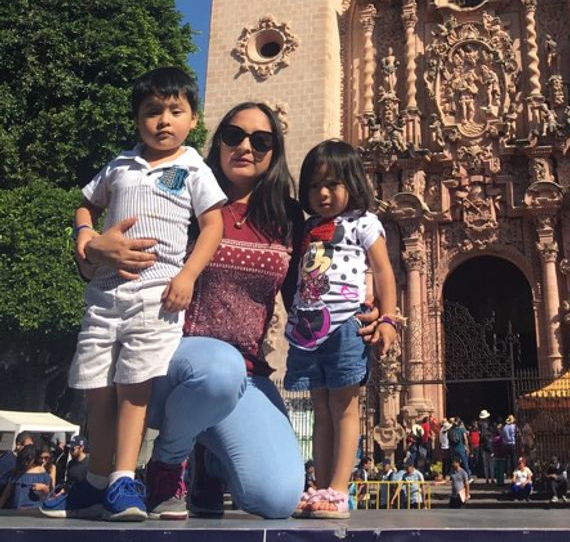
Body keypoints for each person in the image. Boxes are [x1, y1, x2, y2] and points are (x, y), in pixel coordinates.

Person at [48, 101, 350, 522]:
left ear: (274, 151)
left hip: (243, 376)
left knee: (278, 497)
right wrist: (89, 246)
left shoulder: (288, 218)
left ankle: (207, 456)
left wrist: (366, 313)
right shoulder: (179, 193)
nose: (245, 146)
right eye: (234, 135)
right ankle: (167, 464)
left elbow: (308, 295)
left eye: (260, 140)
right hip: (165, 363)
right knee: (217, 367)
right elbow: (102, 260)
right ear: (217, 140)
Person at [41, 68, 226, 523]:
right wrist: (87, 237)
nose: (164, 120)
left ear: (193, 118)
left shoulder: (193, 168)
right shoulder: (120, 165)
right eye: (152, 111)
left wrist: (187, 276)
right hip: (103, 297)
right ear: (137, 119)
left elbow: (213, 226)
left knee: (134, 389)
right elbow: (85, 203)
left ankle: (125, 476)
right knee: (97, 390)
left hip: (155, 296)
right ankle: (97, 482)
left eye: (175, 111)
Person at [284, 139, 398, 519]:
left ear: (353, 182)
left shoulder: (363, 222)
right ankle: (321, 487)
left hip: (347, 323)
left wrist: (387, 319)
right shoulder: (308, 227)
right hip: (308, 328)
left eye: (332, 184)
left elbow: (383, 270)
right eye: (315, 185)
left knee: (344, 406)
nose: (323, 193)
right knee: (320, 409)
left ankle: (339, 489)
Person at [0, 444, 52, 509]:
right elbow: (6, 494)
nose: (26, 463)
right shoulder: (18, 473)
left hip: (29, 511)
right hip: (29, 511)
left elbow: (6, 494)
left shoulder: (18, 473)